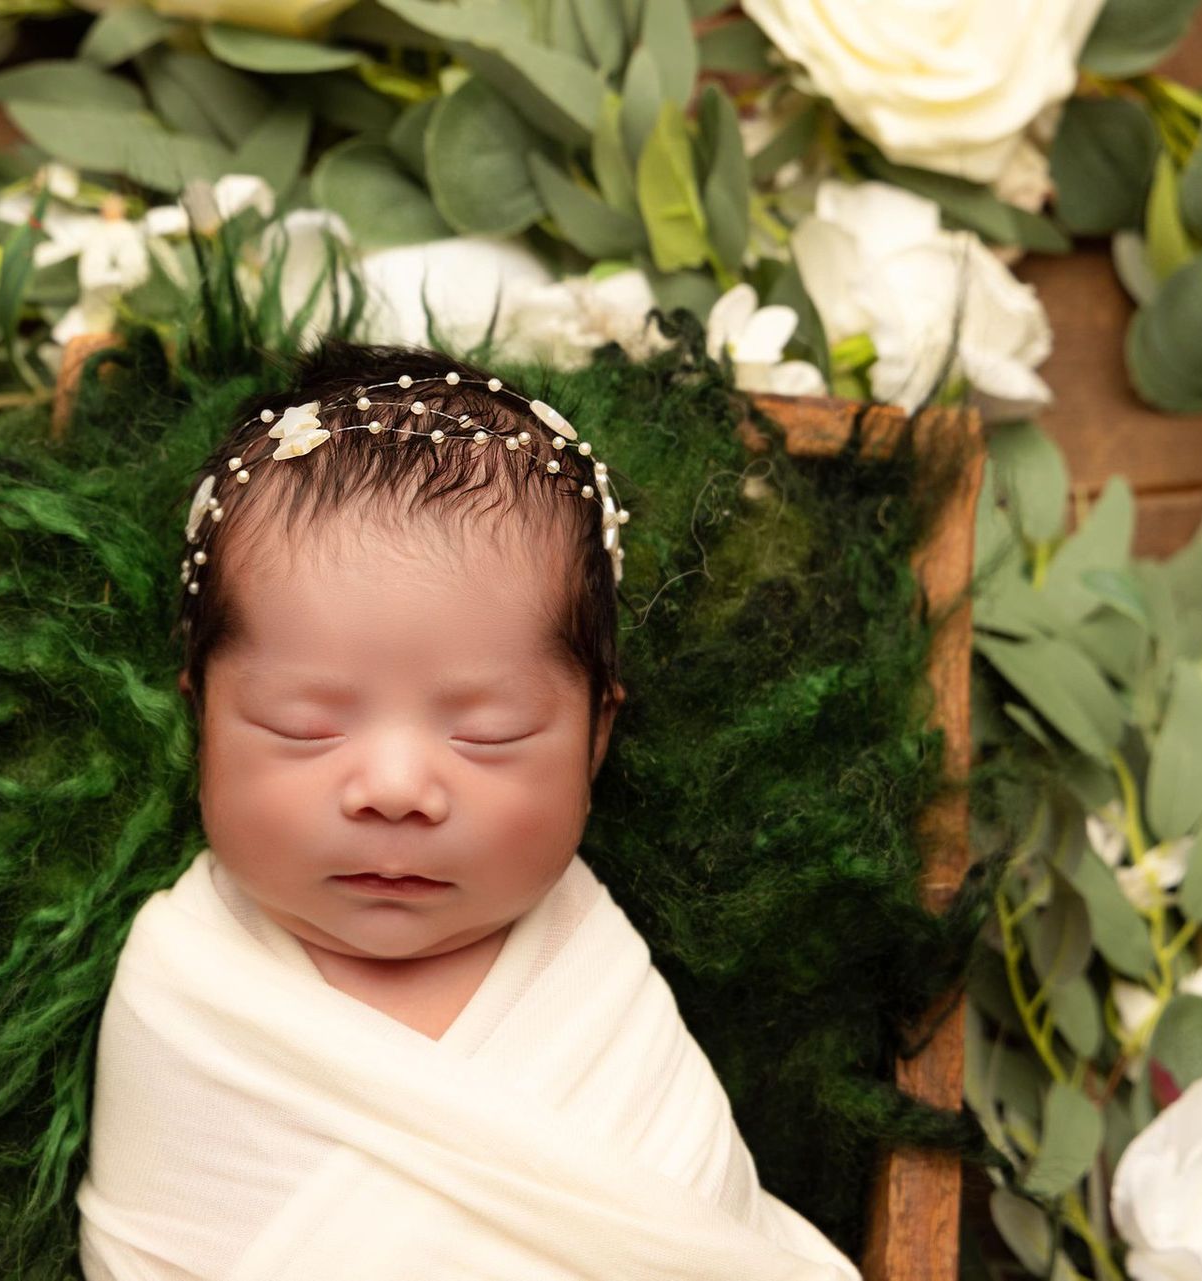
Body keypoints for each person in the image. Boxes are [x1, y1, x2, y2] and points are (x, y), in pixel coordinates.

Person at [74, 338, 863, 1280]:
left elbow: (704, 1243)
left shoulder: (595, 993)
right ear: (201, 719)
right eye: (303, 725)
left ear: (596, 740)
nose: (396, 789)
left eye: (489, 733)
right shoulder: (187, 994)